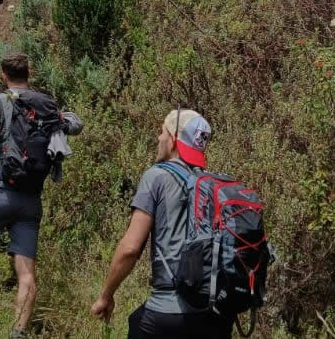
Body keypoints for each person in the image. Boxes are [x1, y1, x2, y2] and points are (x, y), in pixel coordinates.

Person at [0, 53, 82, 339]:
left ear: (3, 75)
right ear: (30, 72)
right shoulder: (45, 104)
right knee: (26, 271)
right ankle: (19, 331)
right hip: (31, 198)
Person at [91, 110, 234, 339]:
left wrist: (106, 295)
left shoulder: (156, 176)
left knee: (138, 323)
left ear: (173, 140)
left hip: (169, 312)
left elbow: (130, 248)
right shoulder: (212, 184)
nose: (159, 138)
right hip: (215, 315)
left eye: (162, 132)